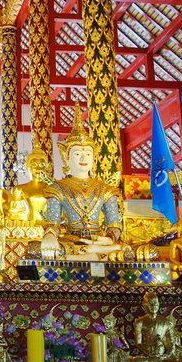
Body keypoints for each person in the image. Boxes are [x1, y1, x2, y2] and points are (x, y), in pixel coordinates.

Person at [40, 105, 124, 261]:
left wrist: (110, 238)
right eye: (77, 153)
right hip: (71, 242)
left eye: (88, 153)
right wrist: (50, 235)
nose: (83, 159)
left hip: (100, 243)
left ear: (94, 156)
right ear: (66, 156)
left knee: (129, 251)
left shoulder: (106, 189)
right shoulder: (57, 188)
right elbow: (53, 222)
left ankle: (90, 255)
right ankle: (93, 256)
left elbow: (114, 225)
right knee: (41, 250)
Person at [129, 292, 182, 362]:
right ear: (144, 305)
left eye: (156, 303)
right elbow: (138, 343)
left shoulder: (166, 322)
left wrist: (166, 355)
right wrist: (149, 354)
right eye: (150, 303)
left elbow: (171, 342)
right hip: (148, 356)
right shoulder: (140, 322)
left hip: (163, 356)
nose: (154, 306)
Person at [7, 149, 50, 221]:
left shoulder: (52, 188)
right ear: (27, 166)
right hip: (28, 226)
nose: (38, 168)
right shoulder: (19, 189)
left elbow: (60, 215)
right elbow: (15, 214)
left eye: (42, 165)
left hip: (48, 226)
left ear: (47, 167)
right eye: (34, 165)